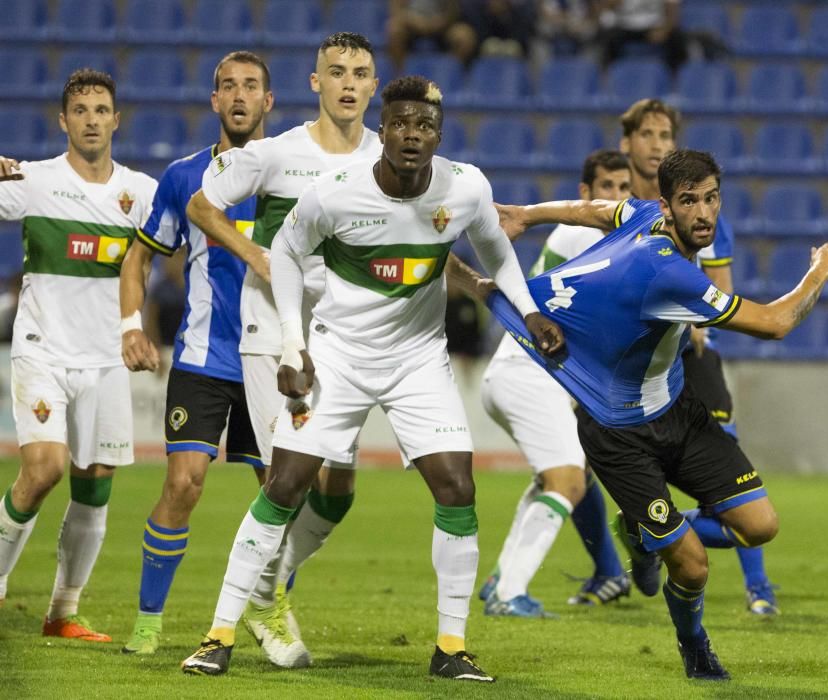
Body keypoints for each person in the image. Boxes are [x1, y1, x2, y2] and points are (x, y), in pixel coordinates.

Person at [180, 75, 564, 682]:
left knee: (457, 487)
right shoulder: (335, 194)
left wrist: (531, 310)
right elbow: (281, 254)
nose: (412, 135)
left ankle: (450, 647)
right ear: (383, 132)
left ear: (439, 135)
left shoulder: (465, 188)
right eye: (401, 125)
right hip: (338, 358)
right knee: (283, 485)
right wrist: (291, 343)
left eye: (425, 126)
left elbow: (495, 250)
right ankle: (218, 634)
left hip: (418, 361)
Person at [481, 149, 828, 680]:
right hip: (619, 435)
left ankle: (644, 533)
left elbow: (599, 210)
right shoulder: (667, 274)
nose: (704, 213)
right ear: (668, 206)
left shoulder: (645, 217)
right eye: (689, 201)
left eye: (712, 198)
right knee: (693, 564)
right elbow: (773, 324)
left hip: (676, 410)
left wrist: (528, 213)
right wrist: (817, 273)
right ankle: (694, 645)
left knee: (760, 525)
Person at [185, 32, 382, 665]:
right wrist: (256, 256)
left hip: (346, 341)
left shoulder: (388, 158)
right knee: (287, 478)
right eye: (336, 72)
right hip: (273, 335)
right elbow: (202, 204)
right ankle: (244, 616)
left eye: (359, 72)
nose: (348, 83)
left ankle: (267, 585)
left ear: (372, 86)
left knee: (339, 488)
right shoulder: (276, 153)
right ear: (315, 83)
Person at [117, 50, 273, 657]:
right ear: (214, 102)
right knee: (184, 484)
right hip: (204, 359)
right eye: (227, 86)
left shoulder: (292, 173)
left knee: (285, 493)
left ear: (268, 101)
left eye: (251, 86)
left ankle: (268, 605)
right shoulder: (185, 178)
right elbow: (141, 256)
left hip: (272, 362)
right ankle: (149, 620)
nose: (238, 96)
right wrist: (133, 324)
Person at [0, 69, 156, 642]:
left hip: (108, 358)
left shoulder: (140, 193)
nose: (91, 119)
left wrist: (136, 329)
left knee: (95, 482)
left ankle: (62, 612)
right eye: (80, 110)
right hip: (43, 350)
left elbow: (151, 260)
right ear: (62, 121)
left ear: (117, 120)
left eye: (101, 110)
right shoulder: (32, 181)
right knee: (44, 469)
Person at [620, 97, 780, 615]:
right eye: (648, 135)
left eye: (666, 135)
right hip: (634, 363)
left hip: (692, 352)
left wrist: (692, 319)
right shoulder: (621, 212)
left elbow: (722, 291)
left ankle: (757, 588)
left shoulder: (708, 216)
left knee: (730, 460)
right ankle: (634, 545)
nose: (658, 144)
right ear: (629, 145)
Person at [477, 149, 632, 615]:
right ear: (585, 194)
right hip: (529, 373)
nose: (617, 198)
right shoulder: (579, 233)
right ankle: (509, 596)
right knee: (567, 479)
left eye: (625, 189)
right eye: (607, 188)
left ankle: (502, 579)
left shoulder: (601, 239)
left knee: (562, 474)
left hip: (529, 372)